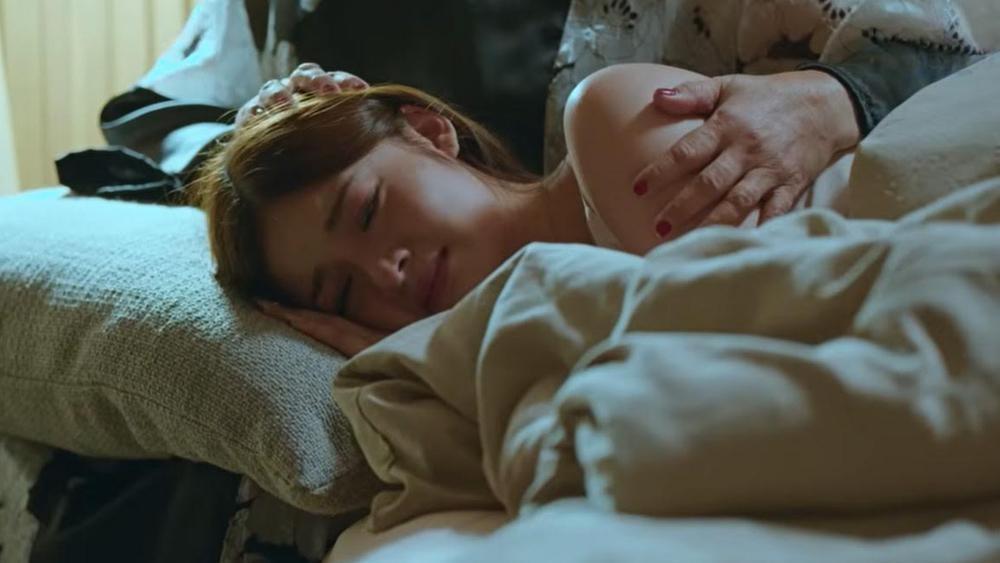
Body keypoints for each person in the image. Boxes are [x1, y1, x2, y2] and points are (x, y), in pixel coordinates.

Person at [192, 47, 978, 357]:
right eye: (342, 293)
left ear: (431, 132)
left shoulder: (609, 123)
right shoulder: (478, 358)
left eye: (367, 209)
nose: (384, 270)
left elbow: (729, 357)